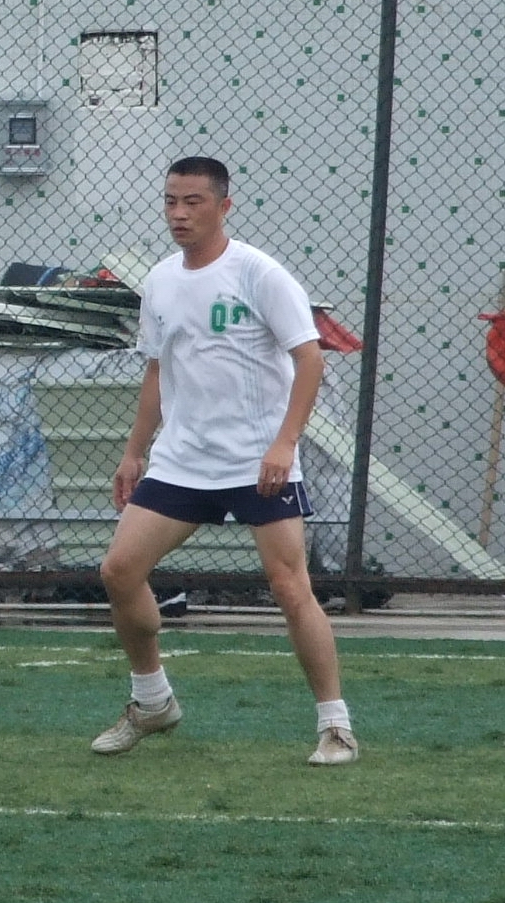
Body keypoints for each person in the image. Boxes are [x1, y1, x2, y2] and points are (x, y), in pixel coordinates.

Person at [89, 156, 357, 766]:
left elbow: (310, 359)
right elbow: (157, 370)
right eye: (170, 201)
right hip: (182, 461)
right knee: (119, 571)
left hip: (257, 462)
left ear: (224, 206)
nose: (179, 214)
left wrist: (284, 444)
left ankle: (336, 726)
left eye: (193, 202)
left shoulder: (260, 273)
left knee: (290, 587)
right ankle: (152, 701)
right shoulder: (160, 281)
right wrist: (134, 453)